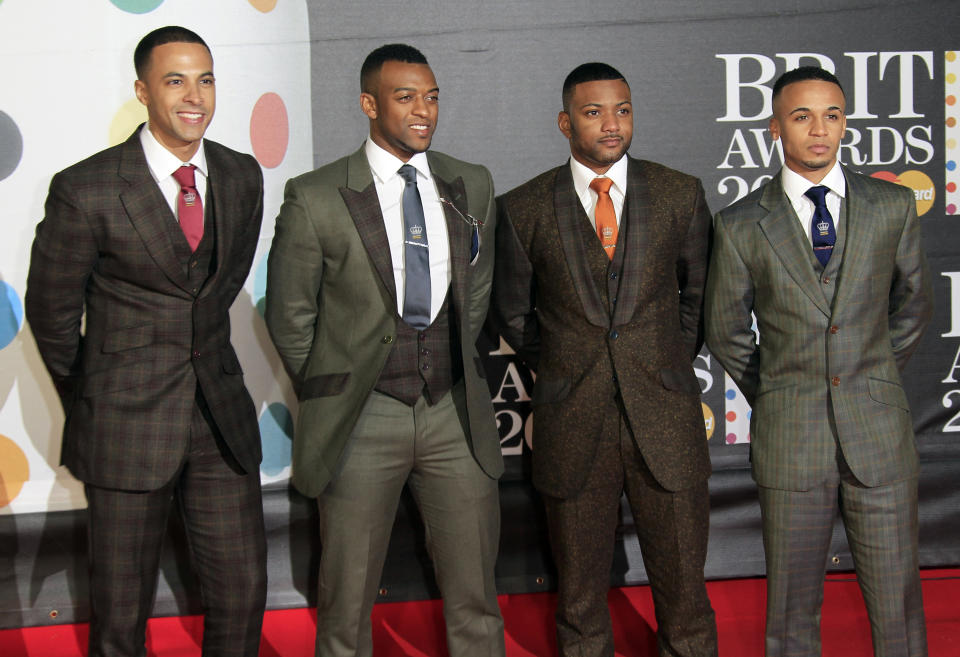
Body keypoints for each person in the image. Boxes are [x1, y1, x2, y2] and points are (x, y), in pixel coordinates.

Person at [25, 25, 267, 657]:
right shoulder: (88, 187)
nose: (196, 96)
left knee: (243, 597)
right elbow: (52, 317)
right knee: (120, 616)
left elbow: (219, 287)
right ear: (141, 91)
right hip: (123, 427)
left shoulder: (242, 176)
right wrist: (98, 395)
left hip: (221, 422)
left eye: (206, 78)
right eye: (175, 80)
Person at [264, 43, 505, 657]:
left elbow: (474, 297)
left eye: (431, 97)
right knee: (345, 606)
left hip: (455, 411)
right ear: (369, 104)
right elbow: (291, 317)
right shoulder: (315, 195)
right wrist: (337, 388)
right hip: (361, 418)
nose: (423, 111)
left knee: (476, 597)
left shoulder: (470, 183)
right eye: (405, 98)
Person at [705, 66, 932, 657]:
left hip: (878, 437)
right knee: (790, 615)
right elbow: (726, 331)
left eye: (832, 114)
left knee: (899, 610)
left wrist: (872, 379)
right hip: (791, 439)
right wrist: (778, 392)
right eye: (802, 116)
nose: (820, 129)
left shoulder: (892, 205)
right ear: (776, 127)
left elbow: (912, 307)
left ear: (846, 122)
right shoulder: (738, 225)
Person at [491, 62, 717, 657]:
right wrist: (570, 365)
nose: (611, 124)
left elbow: (697, 302)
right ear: (565, 122)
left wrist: (661, 364)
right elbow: (514, 316)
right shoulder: (523, 207)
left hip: (665, 421)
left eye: (622, 109)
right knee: (581, 601)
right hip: (572, 422)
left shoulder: (679, 193)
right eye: (594, 112)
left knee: (686, 599)